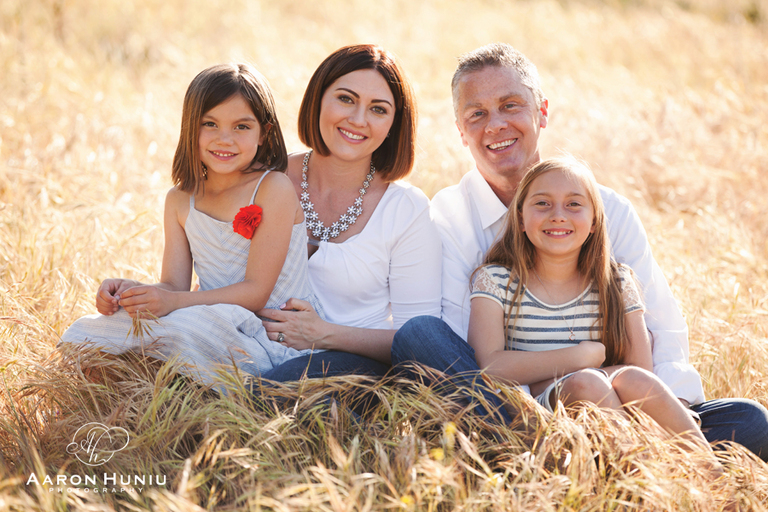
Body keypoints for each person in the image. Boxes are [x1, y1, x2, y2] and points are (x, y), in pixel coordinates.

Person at [391, 42, 768, 460]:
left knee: (750, 420)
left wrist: (660, 411)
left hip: (616, 402)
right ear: (461, 131)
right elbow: (469, 348)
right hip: (513, 411)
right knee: (422, 336)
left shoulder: (608, 209)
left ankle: (623, 458)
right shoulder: (448, 215)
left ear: (542, 111)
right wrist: (557, 395)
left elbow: (663, 328)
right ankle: (547, 454)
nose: (495, 124)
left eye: (510, 105)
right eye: (476, 114)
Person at [60, 63, 324, 385]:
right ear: (190, 129)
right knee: (93, 329)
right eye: (210, 124)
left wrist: (173, 302)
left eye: (241, 127)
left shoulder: (272, 188)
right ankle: (137, 390)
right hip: (209, 317)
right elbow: (173, 286)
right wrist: (132, 293)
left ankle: (188, 382)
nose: (224, 139)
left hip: (272, 336)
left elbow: (255, 293)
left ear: (264, 133)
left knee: (187, 329)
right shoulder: (180, 199)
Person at [469, 157, 712, 454]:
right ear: (520, 219)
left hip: (614, 410)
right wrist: (580, 357)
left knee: (746, 417)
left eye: (574, 204)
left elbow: (640, 373)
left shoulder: (618, 282)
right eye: (542, 203)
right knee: (587, 383)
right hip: (538, 419)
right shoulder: (495, 280)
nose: (558, 215)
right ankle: (643, 473)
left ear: (595, 221)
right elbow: (490, 367)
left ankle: (709, 473)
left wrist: (570, 373)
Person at [253, 44, 442, 382]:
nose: (358, 120)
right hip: (250, 347)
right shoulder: (265, 178)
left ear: (393, 125)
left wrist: (323, 334)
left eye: (378, 109)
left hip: (354, 367)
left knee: (275, 387)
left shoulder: (405, 209)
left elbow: (419, 342)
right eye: (345, 99)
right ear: (318, 99)